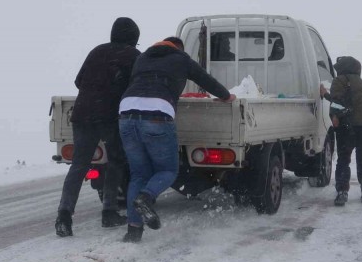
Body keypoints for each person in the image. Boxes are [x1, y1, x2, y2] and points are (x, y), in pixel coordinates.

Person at [118, 37, 236, 243]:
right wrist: (226, 96)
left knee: (138, 174)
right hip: (157, 114)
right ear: (178, 48)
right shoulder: (181, 58)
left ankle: (133, 230)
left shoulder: (142, 58)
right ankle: (146, 198)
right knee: (167, 170)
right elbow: (205, 80)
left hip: (126, 113)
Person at [55, 17, 141, 237]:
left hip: (83, 114)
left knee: (79, 165)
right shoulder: (133, 56)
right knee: (116, 161)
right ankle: (109, 212)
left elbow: (78, 81)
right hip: (110, 116)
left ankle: (64, 217)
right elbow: (138, 86)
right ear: (133, 37)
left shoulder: (96, 51)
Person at [319, 56, 362, 206]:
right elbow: (353, 103)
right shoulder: (361, 82)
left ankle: (342, 192)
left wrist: (334, 115)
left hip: (348, 125)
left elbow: (338, 103)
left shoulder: (340, 80)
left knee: (344, 159)